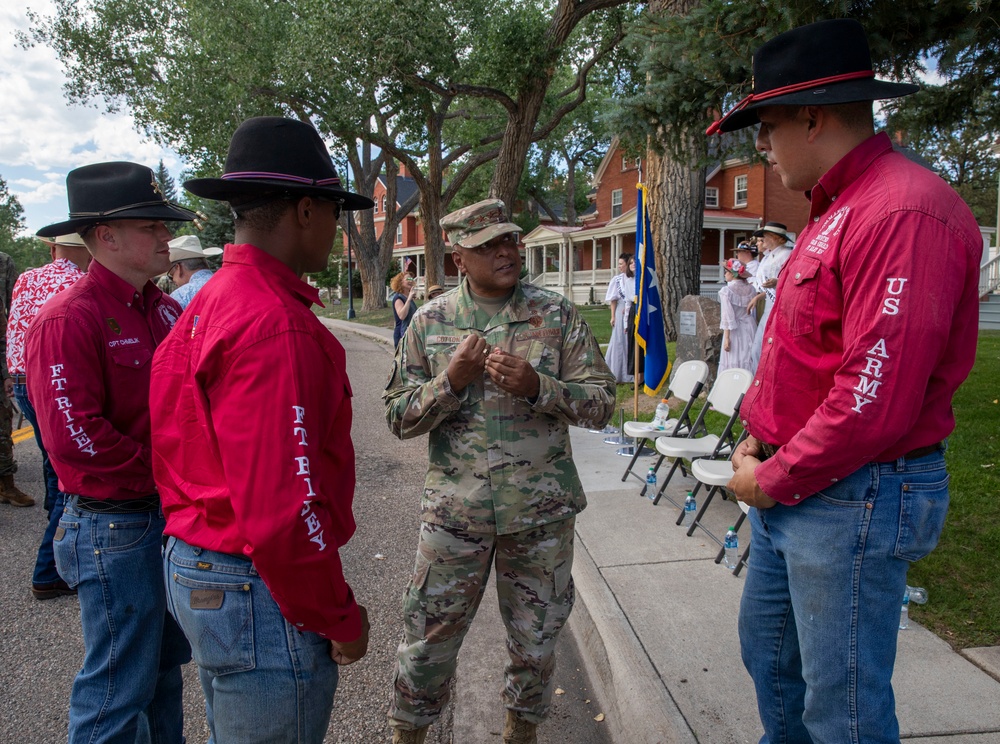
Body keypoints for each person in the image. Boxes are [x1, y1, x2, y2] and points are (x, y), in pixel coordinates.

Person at [709, 19, 982, 743]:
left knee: (844, 709)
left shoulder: (902, 210)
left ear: (810, 115)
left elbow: (874, 397)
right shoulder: (839, 208)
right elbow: (804, 357)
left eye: (764, 127)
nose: (760, 146)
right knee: (770, 660)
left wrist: (774, 475)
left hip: (851, 491)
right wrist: (757, 450)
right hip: (797, 482)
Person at [150, 116, 372, 744]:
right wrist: (338, 613)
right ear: (306, 209)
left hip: (200, 563)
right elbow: (284, 507)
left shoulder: (211, 300)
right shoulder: (275, 324)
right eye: (333, 210)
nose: (337, 227)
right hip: (252, 580)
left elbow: (172, 447)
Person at [384, 198, 616, 744]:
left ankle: (520, 731)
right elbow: (397, 416)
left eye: (508, 239)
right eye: (486, 245)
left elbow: (604, 403)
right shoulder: (430, 321)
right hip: (454, 516)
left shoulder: (554, 316)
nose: (505, 251)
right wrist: (451, 381)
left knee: (536, 639)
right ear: (457, 258)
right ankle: (409, 732)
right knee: (429, 635)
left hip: (539, 517)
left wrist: (541, 388)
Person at [25, 161, 196, 743]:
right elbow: (76, 440)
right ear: (106, 236)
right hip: (115, 526)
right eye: (151, 226)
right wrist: (175, 474)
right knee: (117, 690)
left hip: (163, 518)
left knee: (163, 675)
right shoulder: (67, 320)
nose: (165, 239)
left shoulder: (166, 311)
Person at [6, 232, 90, 597]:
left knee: (52, 466)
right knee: (66, 472)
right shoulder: (80, 284)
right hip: (50, 377)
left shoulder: (27, 277)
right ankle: (49, 568)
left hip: (23, 379)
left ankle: (58, 545)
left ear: (55, 248)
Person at [747, 222, 793, 371]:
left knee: (769, 345)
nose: (763, 240)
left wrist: (777, 282)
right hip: (768, 303)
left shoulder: (787, 254)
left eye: (765, 236)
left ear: (774, 237)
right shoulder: (769, 256)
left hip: (780, 305)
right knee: (758, 347)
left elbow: (792, 278)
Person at [717, 258, 756, 373]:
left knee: (734, 356)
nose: (725, 274)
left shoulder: (726, 291)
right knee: (748, 355)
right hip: (749, 326)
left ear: (733, 274)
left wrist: (727, 338)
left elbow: (727, 316)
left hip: (735, 329)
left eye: (726, 271)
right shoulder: (751, 289)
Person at [166, 234, 223, 308]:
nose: (173, 280)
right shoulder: (227, 284)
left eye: (171, 274)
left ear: (178, 268)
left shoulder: (180, 296)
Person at [603, 252, 633, 383]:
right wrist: (613, 316)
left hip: (632, 309)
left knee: (630, 341)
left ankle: (632, 372)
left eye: (621, 264)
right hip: (621, 310)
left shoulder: (634, 279)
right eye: (619, 264)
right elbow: (613, 300)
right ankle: (618, 372)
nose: (619, 266)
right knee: (620, 341)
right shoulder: (617, 280)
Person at [390, 270, 418, 346]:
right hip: (402, 334)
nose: (410, 281)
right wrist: (409, 299)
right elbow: (402, 316)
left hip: (411, 333)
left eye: (411, 279)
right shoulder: (398, 298)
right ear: (400, 282)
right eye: (408, 279)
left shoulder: (409, 297)